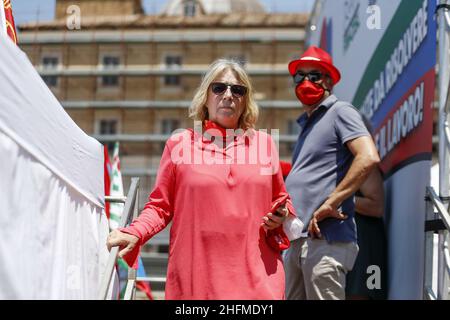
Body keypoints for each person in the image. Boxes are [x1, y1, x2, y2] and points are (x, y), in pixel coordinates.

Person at [107, 59, 300, 300]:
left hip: (258, 279)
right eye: (219, 88)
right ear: (206, 97)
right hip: (197, 279)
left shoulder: (265, 144)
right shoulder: (180, 144)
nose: (228, 95)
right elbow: (160, 206)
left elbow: (280, 199)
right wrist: (135, 232)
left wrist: (281, 214)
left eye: (238, 90)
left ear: (245, 101)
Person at [283, 46, 380, 300]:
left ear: (329, 80)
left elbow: (368, 156)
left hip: (325, 242)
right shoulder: (308, 124)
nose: (305, 82)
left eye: (313, 75)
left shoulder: (341, 111)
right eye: (299, 76)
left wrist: (331, 202)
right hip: (299, 241)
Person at [346, 116, 387, 300]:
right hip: (350, 244)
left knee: (361, 295)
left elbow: (376, 206)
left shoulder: (366, 165)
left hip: (366, 245)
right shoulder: (346, 163)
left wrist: (336, 199)